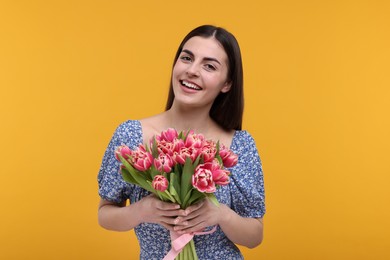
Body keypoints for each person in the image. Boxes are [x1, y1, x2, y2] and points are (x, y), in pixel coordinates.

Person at [97, 24, 266, 259]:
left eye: (209, 66)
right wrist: (142, 211)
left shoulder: (239, 146)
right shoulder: (132, 136)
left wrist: (221, 214)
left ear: (227, 83)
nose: (192, 71)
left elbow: (255, 236)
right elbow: (105, 214)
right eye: (187, 58)